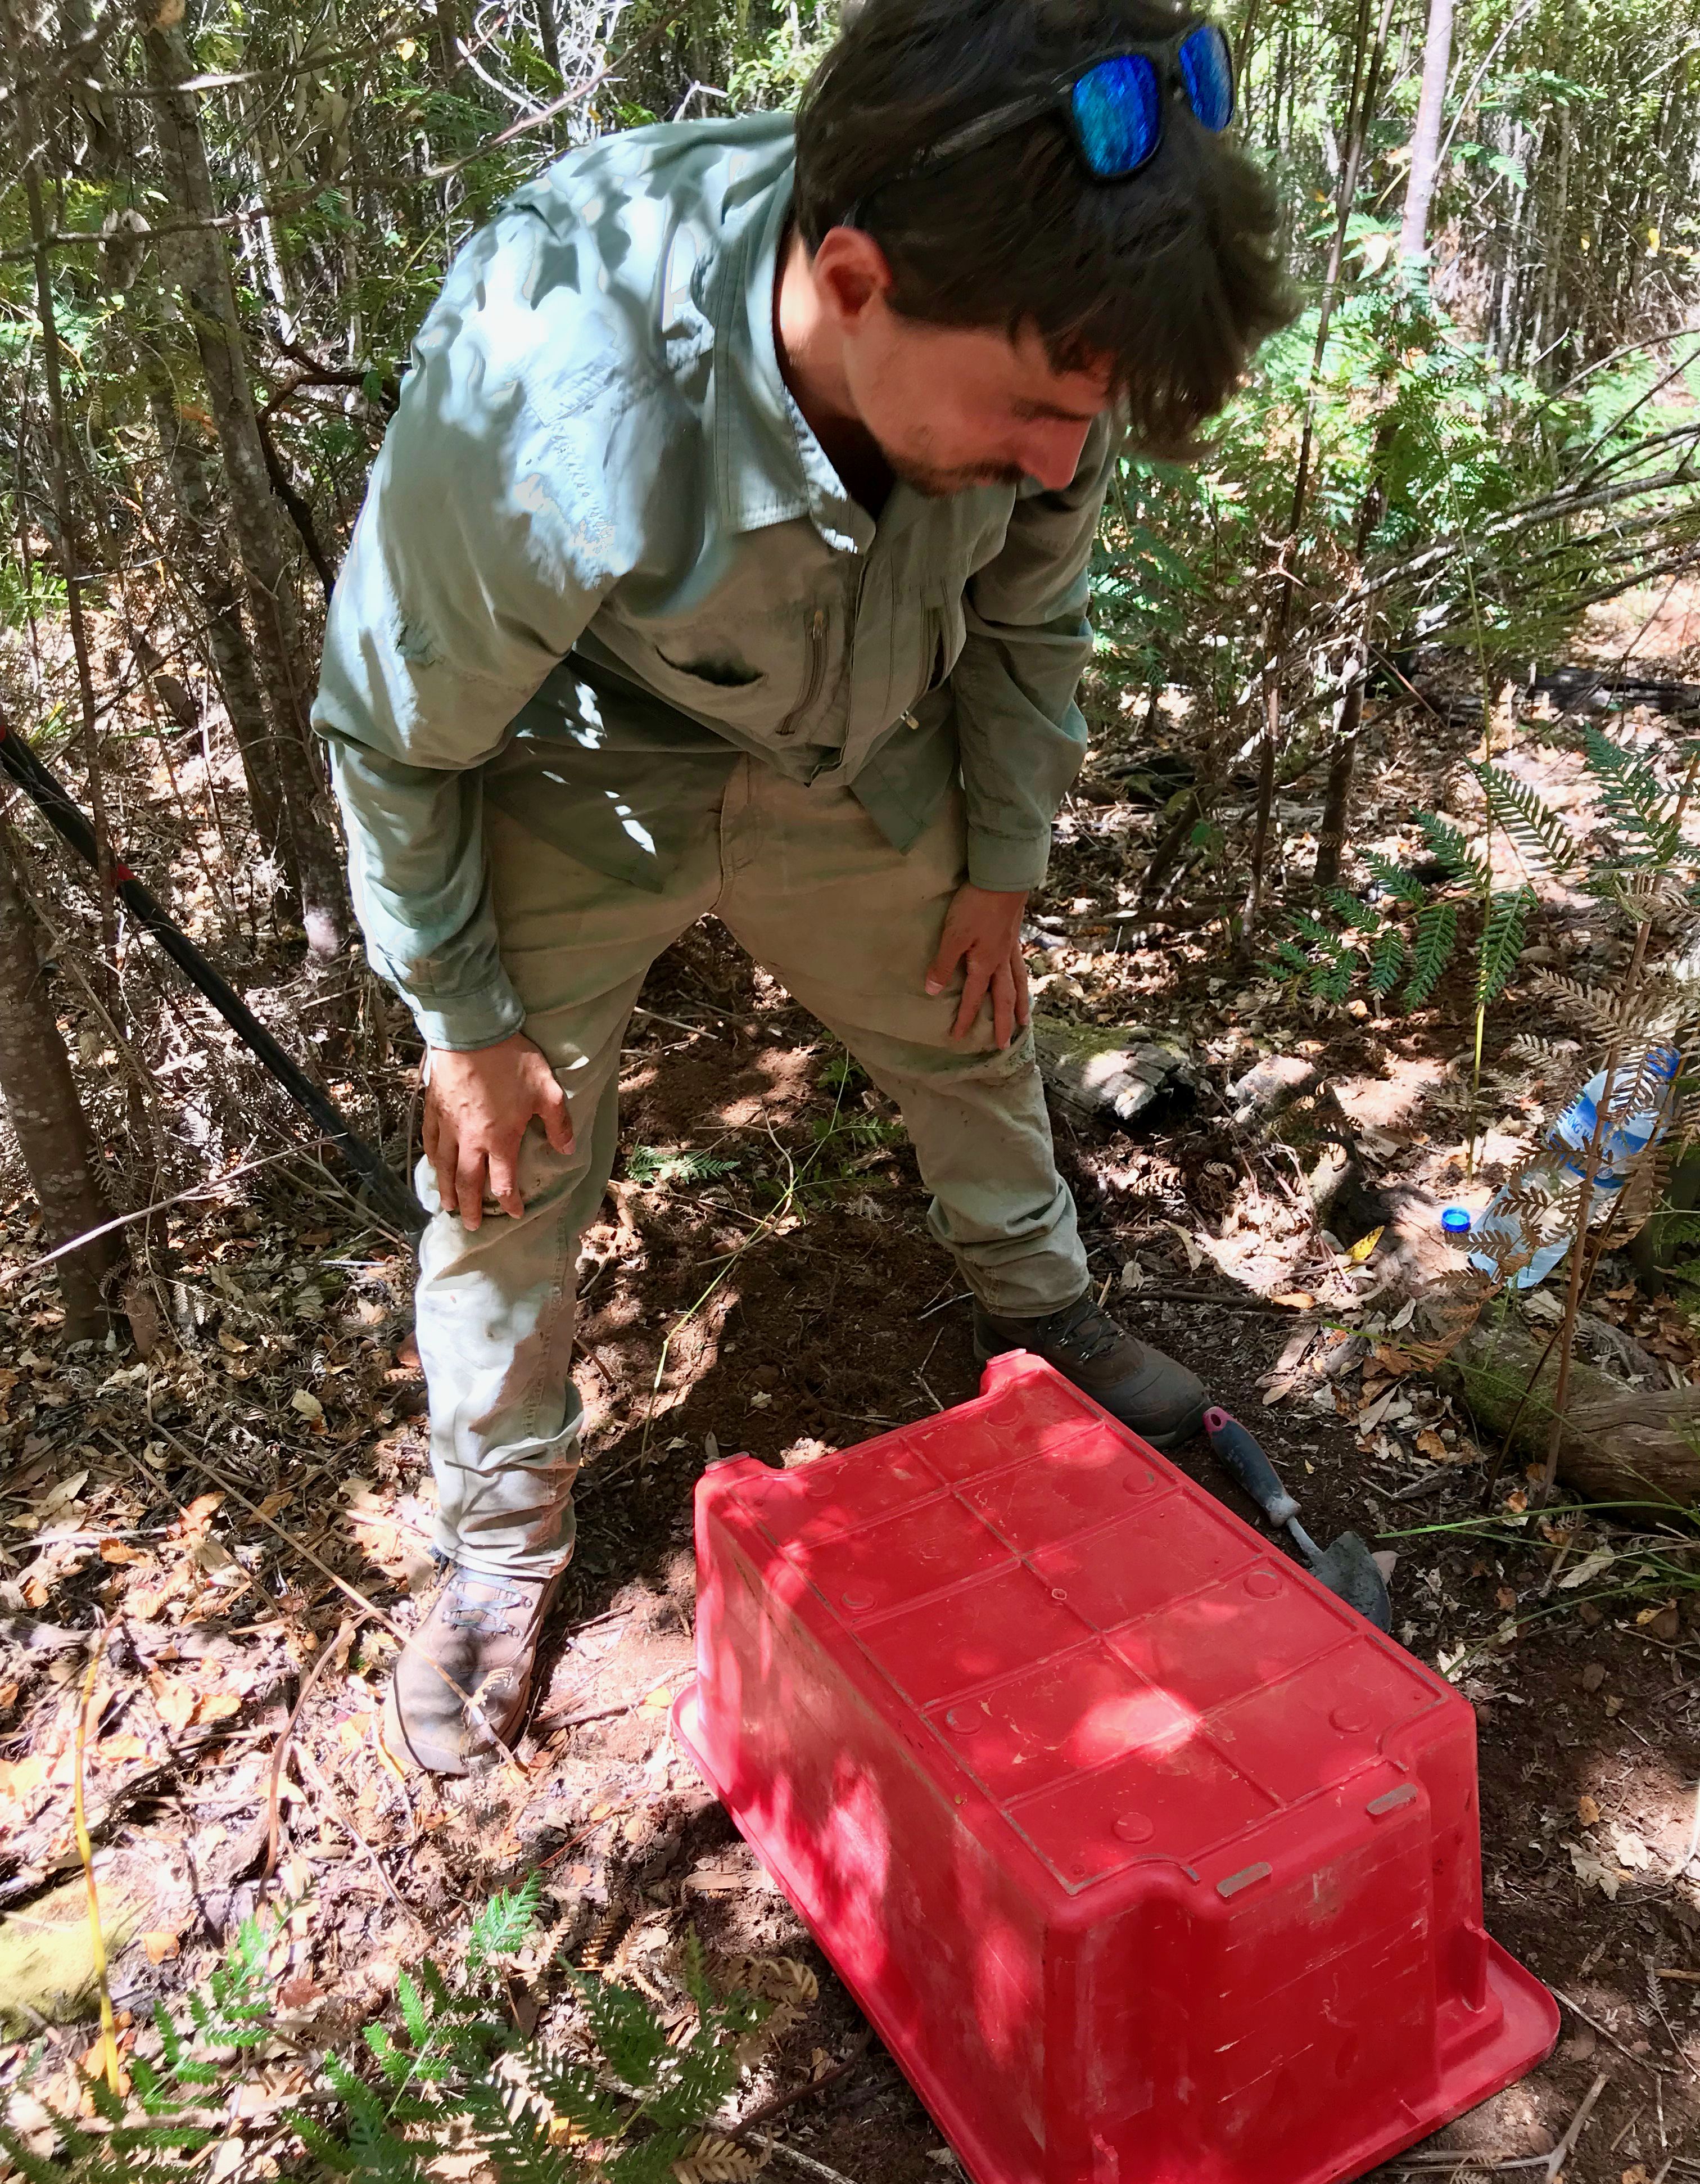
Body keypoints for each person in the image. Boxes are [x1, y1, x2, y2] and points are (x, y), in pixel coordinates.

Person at [314, 0, 1292, 1773]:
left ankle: (1041, 1309)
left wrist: (1001, 867)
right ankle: (498, 1538)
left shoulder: (1037, 317)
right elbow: (393, 729)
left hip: (862, 738)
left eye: (1082, 423)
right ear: (850, 284)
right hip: (579, 757)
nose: (1062, 462)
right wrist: (463, 1018)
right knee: (506, 1156)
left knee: (969, 1025)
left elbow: (1031, 615)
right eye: (1032, 415)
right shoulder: (563, 377)